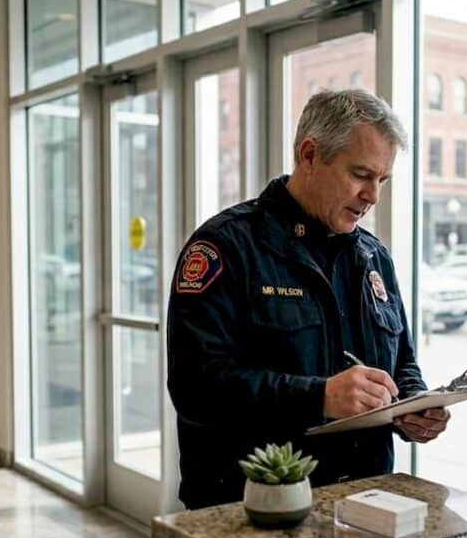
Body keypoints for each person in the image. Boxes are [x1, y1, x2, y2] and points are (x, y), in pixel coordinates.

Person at [167, 89, 450, 510]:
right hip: (253, 506)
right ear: (310, 155)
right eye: (360, 174)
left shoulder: (373, 256)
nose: (372, 195)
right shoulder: (226, 246)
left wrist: (414, 405)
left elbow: (402, 361)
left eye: (382, 180)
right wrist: (318, 398)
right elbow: (196, 386)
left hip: (366, 505)